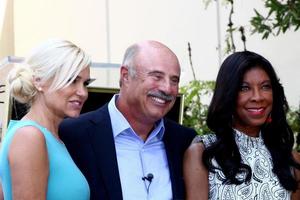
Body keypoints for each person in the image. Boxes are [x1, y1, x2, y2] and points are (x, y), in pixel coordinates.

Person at [59, 40, 197, 200]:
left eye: (174, 80)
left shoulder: (184, 142)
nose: (167, 88)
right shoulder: (73, 134)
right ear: (125, 76)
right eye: (157, 77)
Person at [183, 51, 300, 199]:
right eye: (244, 88)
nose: (257, 97)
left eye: (265, 86)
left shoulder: (290, 159)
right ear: (228, 93)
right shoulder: (202, 153)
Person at [0, 39, 92, 200]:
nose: (82, 92)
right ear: (39, 81)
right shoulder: (29, 136)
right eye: (72, 80)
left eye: (85, 83)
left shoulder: (51, 138)